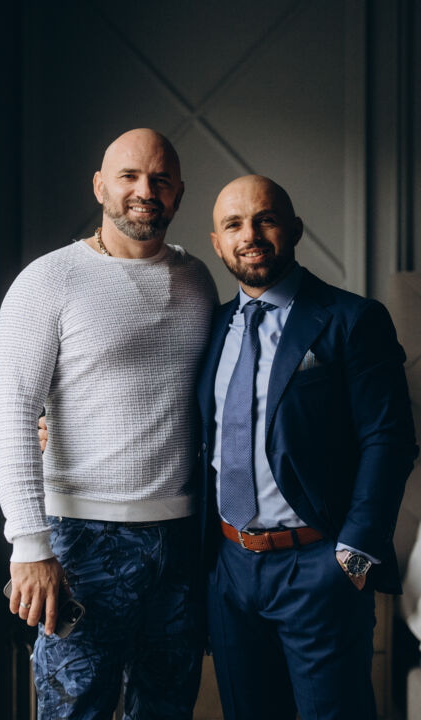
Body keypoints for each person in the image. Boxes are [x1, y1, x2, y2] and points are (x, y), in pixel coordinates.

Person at [0, 128, 218, 719]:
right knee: (75, 710)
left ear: (179, 193)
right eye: (129, 176)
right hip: (79, 541)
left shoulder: (197, 281)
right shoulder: (49, 280)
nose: (145, 191)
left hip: (180, 540)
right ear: (99, 187)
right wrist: (28, 544)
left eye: (160, 179)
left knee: (167, 708)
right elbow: (10, 414)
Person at [197, 174, 418, 720]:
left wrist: (353, 554)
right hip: (229, 568)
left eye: (266, 219)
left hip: (318, 567)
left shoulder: (352, 319)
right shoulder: (211, 327)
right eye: (234, 225)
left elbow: (388, 439)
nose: (250, 235)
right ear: (217, 243)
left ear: (294, 229)